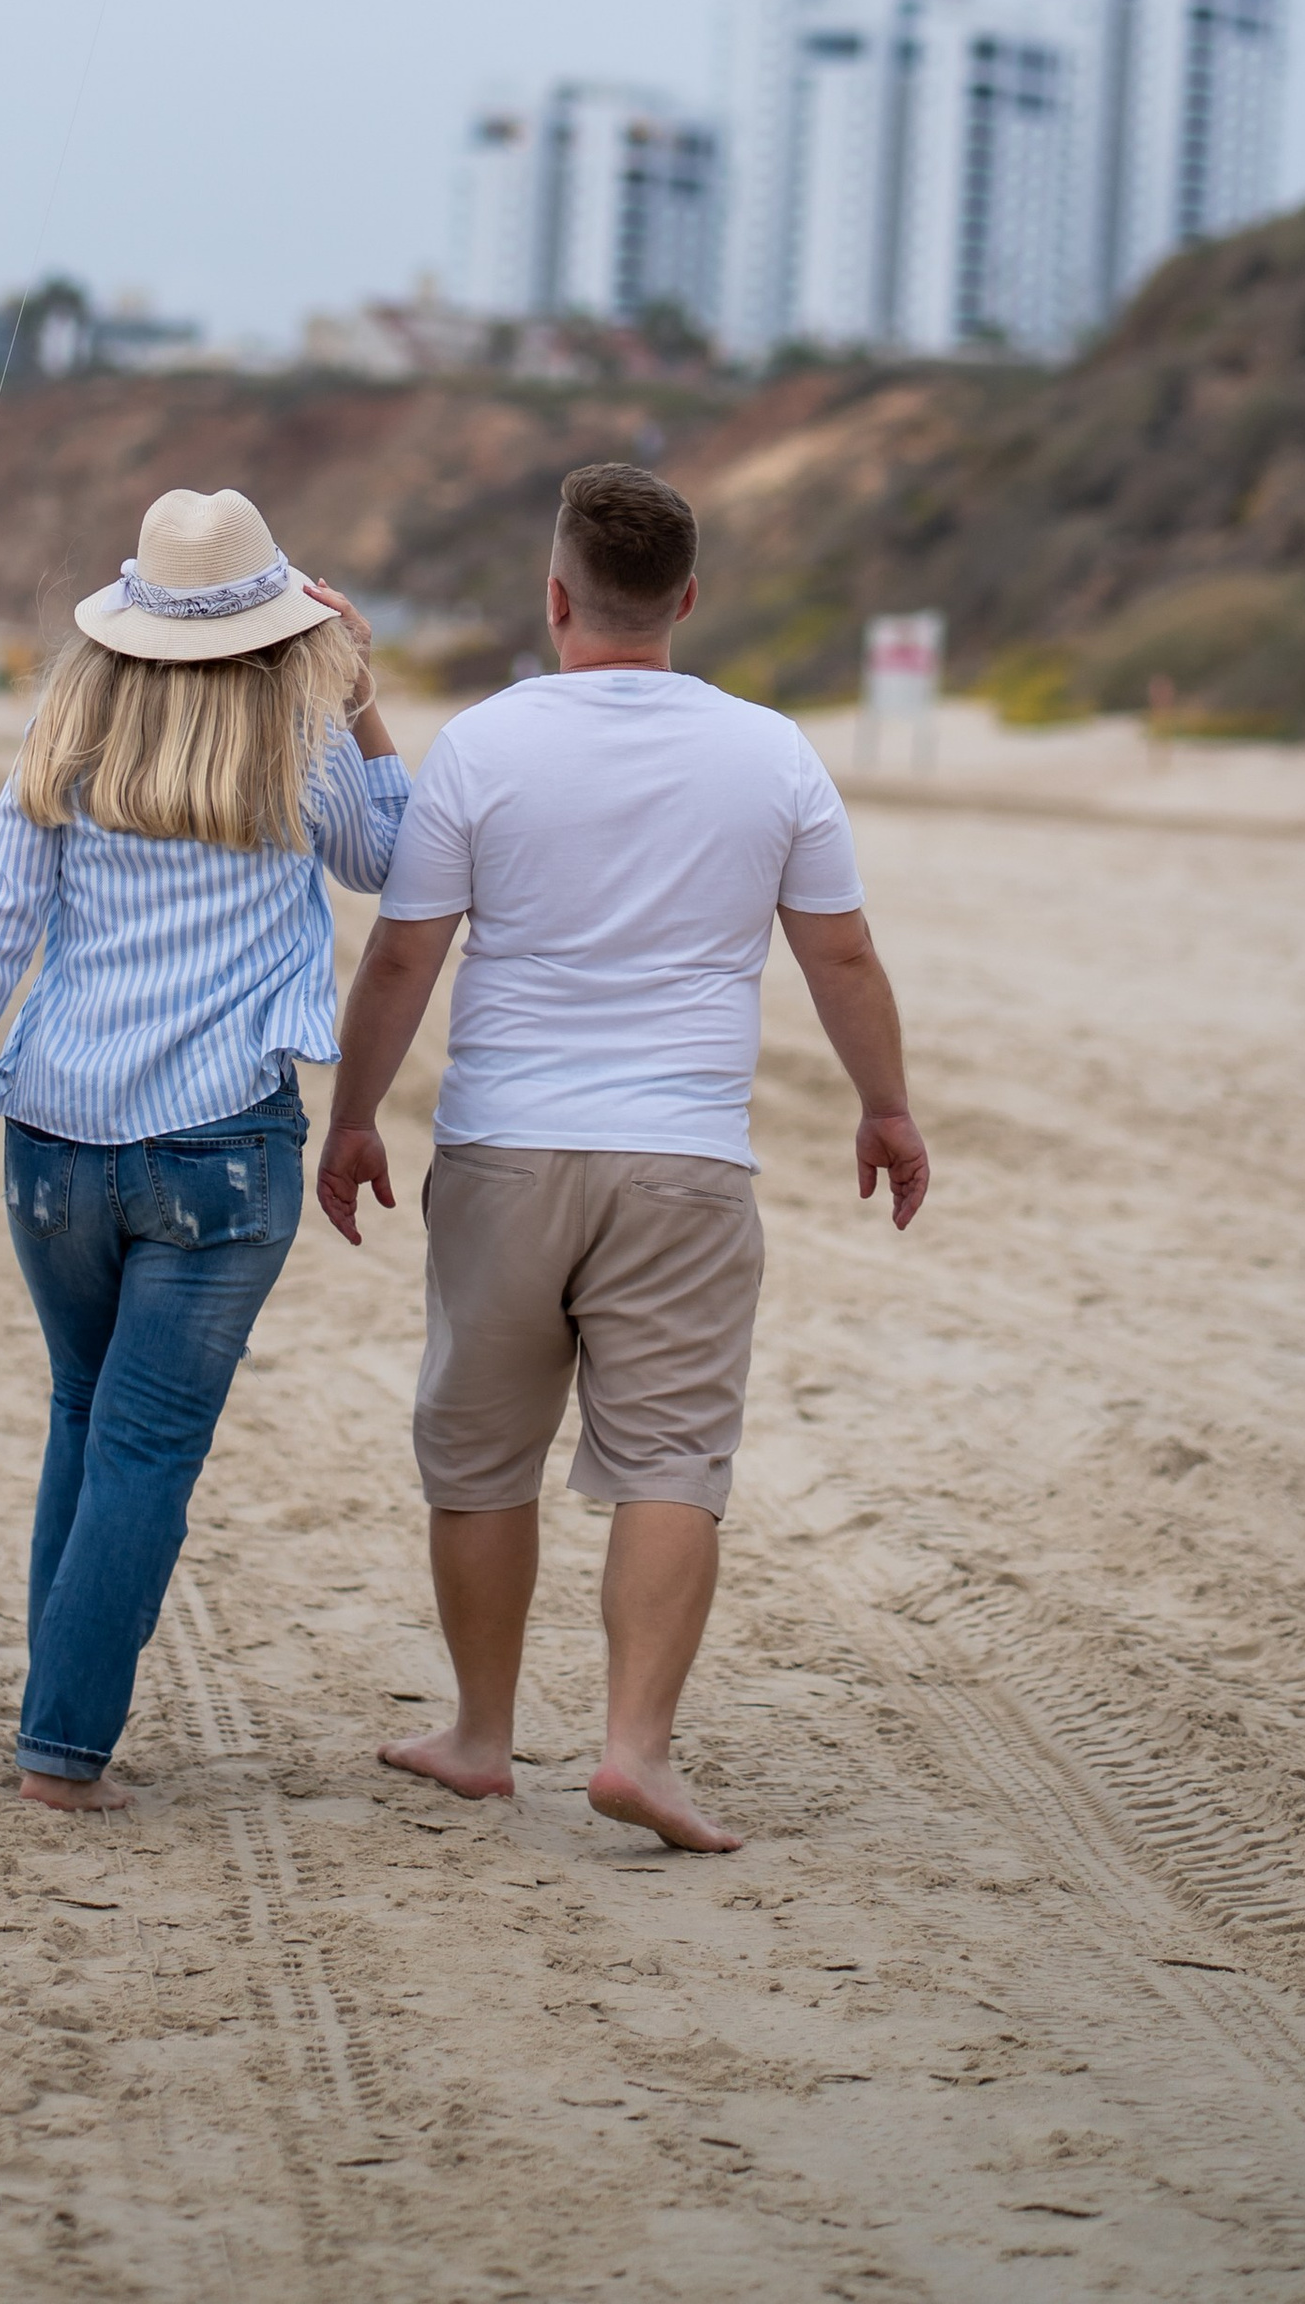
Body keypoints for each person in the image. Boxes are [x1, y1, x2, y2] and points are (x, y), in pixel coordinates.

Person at [316, 461, 929, 1853]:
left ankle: (480, 1735)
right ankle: (636, 1749)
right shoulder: (772, 751)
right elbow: (839, 950)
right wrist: (885, 1106)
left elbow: (409, 952)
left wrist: (353, 1117)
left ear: (555, 597)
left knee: (479, 1453)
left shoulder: (484, 743)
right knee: (670, 1461)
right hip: (687, 1160)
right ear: (688, 600)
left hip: (507, 1150)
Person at [0, 489, 405, 1812]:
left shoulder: (66, 733)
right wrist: (364, 694)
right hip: (219, 1150)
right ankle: (62, 1753)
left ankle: (57, 1717)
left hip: (52, 1142)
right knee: (142, 1444)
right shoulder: (304, 741)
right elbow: (396, 858)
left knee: (87, 1419)